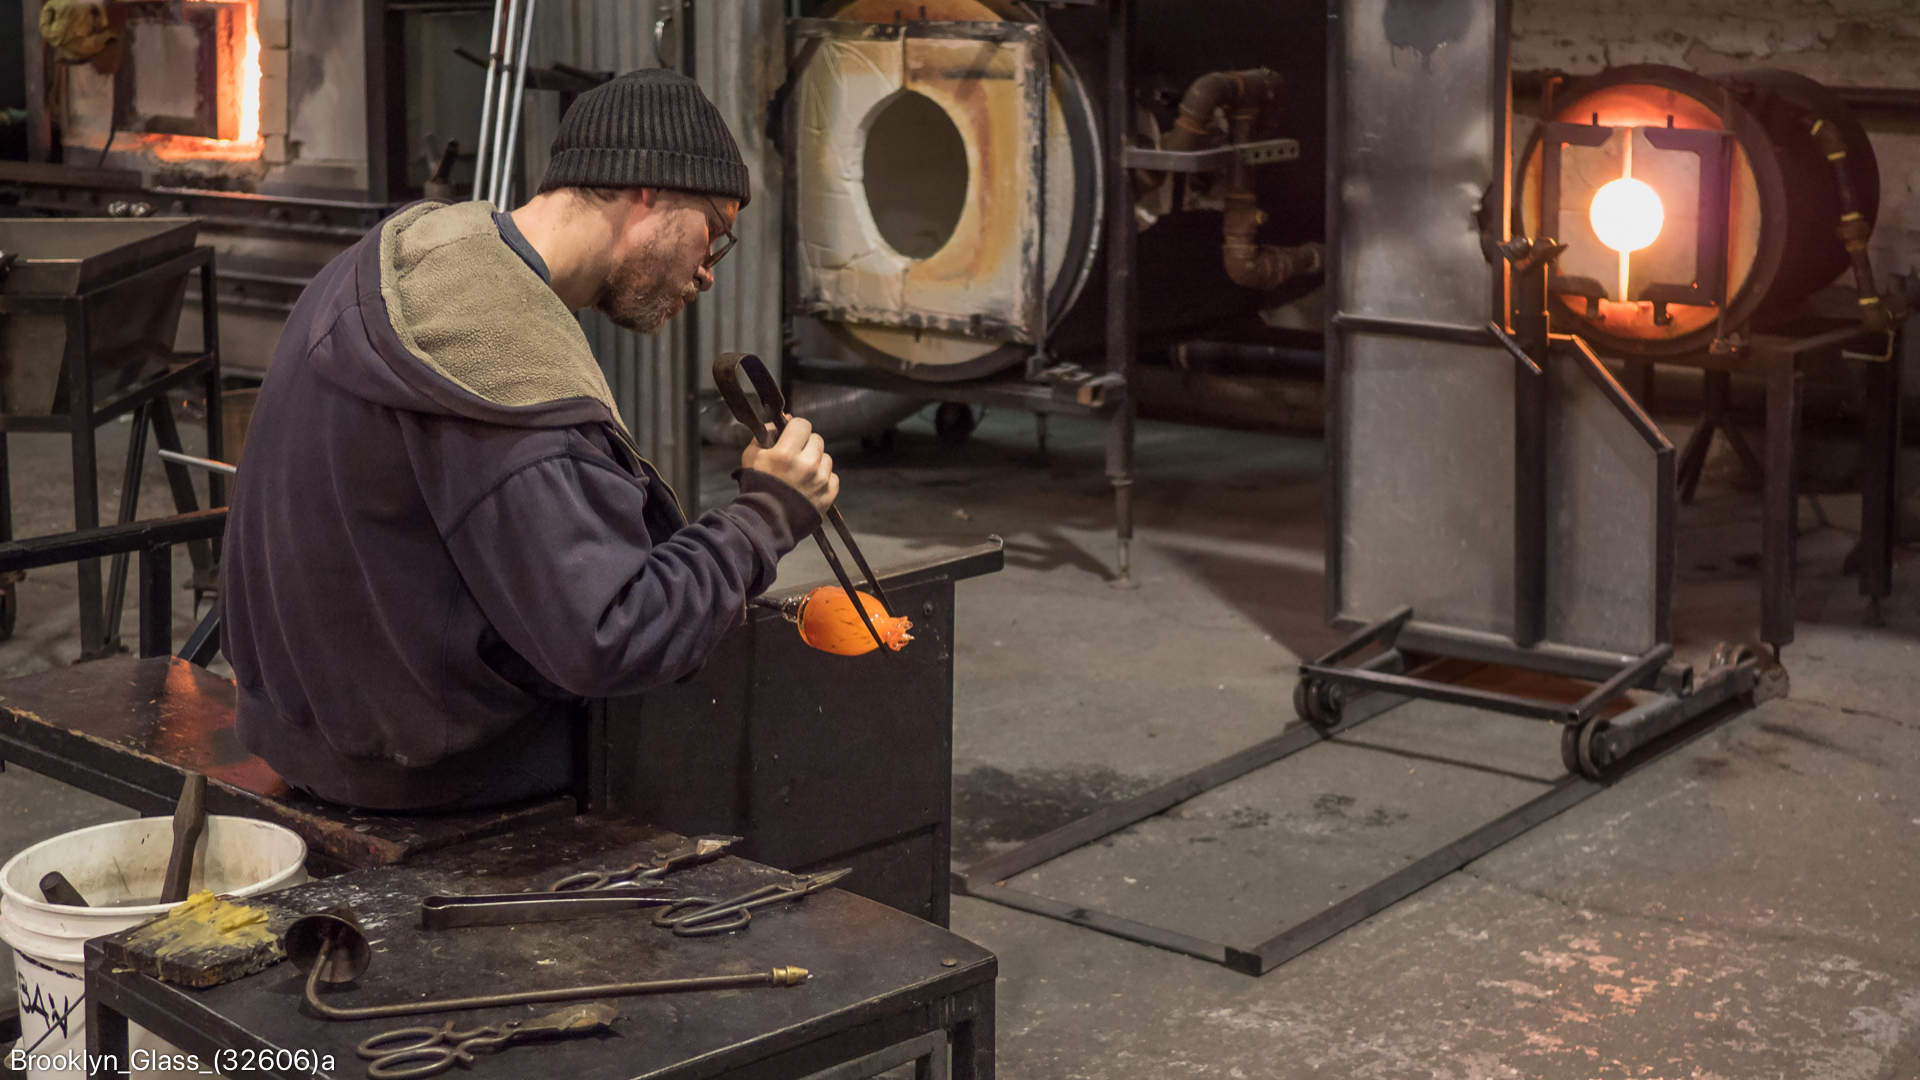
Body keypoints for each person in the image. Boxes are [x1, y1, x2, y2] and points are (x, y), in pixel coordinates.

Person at [221, 69, 836, 811]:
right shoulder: (506, 368)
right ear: (650, 191)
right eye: (715, 233)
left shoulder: (400, 256)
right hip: (428, 773)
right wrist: (765, 516)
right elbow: (611, 636)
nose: (707, 271)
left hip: (300, 727)